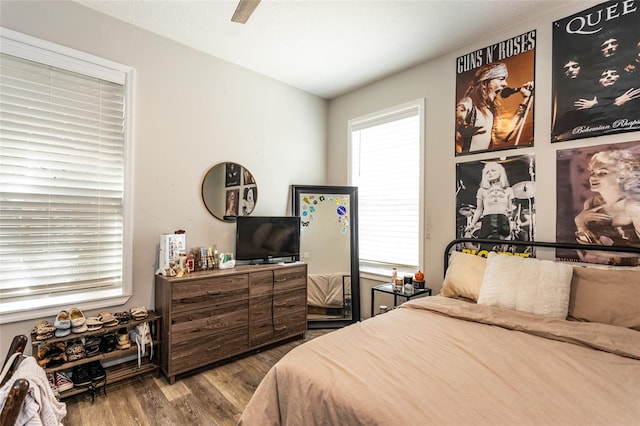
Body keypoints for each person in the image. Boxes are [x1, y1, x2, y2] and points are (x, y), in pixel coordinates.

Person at [574, 148, 640, 265]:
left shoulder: (632, 206)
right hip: (599, 268)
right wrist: (580, 222)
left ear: (622, 177)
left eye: (602, 173)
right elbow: (587, 246)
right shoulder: (591, 203)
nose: (593, 178)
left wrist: (602, 255)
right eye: (592, 173)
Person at [455, 62, 534, 153]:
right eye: (501, 79)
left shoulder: (490, 111)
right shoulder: (468, 103)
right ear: (485, 82)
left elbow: (504, 136)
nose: (505, 84)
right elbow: (456, 137)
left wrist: (526, 100)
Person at [465, 162, 515, 249]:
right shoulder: (482, 190)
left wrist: (510, 212)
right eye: (487, 172)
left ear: (500, 172)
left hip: (502, 223)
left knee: (501, 252)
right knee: (486, 249)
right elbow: (479, 209)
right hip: (488, 222)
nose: (490, 173)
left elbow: (510, 210)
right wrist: (472, 224)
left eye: (493, 170)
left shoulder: (508, 190)